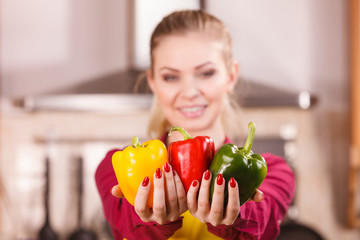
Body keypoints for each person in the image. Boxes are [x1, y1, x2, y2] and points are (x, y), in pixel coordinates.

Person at [95, 9, 295, 240]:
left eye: (206, 73)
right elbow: (127, 224)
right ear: (153, 82)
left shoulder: (272, 173)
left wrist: (236, 212)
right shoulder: (116, 167)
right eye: (171, 77)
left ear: (231, 76)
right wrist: (149, 217)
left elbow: (262, 222)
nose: (189, 92)